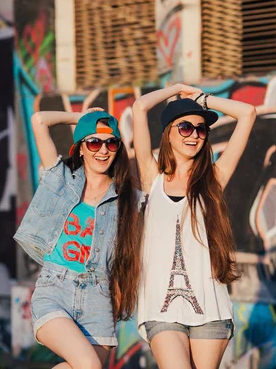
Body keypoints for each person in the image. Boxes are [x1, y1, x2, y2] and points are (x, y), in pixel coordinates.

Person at [112, 84, 256, 369]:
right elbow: (139, 107)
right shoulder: (152, 178)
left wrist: (203, 98)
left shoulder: (213, 179)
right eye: (186, 127)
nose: (195, 135)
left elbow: (248, 113)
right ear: (168, 132)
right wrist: (176, 88)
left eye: (202, 129)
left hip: (210, 306)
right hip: (160, 308)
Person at [14, 109, 140, 369]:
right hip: (55, 289)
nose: (102, 150)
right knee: (88, 365)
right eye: (93, 142)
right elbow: (39, 121)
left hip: (99, 299)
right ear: (80, 148)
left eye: (110, 143)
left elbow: (122, 260)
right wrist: (82, 118)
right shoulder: (60, 180)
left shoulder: (127, 199)